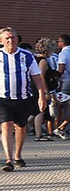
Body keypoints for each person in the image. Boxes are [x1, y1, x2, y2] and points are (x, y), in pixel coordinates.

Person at [0, 27, 45, 172]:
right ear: (1, 41)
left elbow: (37, 76)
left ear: (17, 39)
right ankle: (8, 159)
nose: (10, 40)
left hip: (23, 98)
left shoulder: (27, 55)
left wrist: (42, 96)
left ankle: (18, 155)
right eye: (7, 38)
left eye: (13, 37)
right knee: (6, 125)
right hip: (3, 98)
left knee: (20, 126)